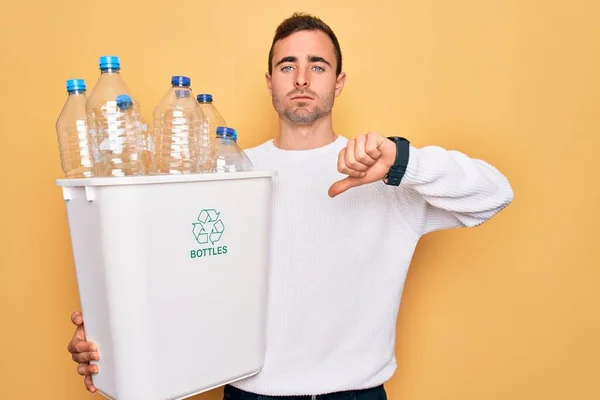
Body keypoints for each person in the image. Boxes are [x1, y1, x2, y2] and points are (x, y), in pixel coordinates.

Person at [67, 12, 514, 400]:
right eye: (288, 66)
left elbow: (494, 195)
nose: (302, 79)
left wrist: (403, 160)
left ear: (338, 82)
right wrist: (110, 327)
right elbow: (176, 280)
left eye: (317, 66)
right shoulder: (229, 173)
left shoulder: (383, 171)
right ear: (270, 82)